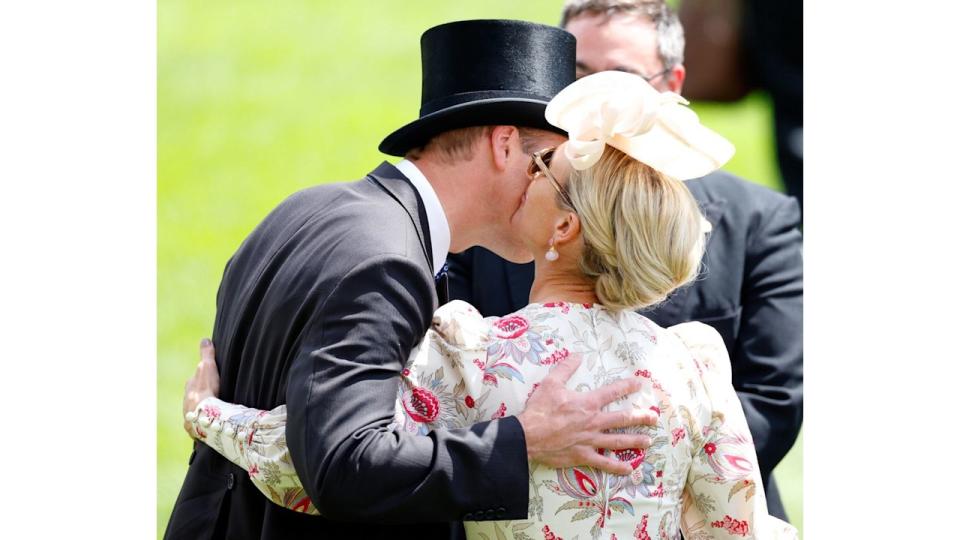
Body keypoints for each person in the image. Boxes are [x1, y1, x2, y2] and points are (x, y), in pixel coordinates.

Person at [180, 70, 798, 539]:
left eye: (542, 170)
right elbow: (735, 524)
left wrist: (210, 413)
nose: (527, 177)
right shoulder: (694, 363)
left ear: (563, 229)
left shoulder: (476, 354)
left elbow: (312, 467)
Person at [164, 20, 659, 540]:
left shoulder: (304, 209)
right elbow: (345, 465)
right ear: (505, 145)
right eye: (548, 167)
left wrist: (212, 419)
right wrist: (524, 440)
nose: (557, 197)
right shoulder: (389, 262)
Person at [446, 0, 803, 522]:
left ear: (673, 84)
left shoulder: (761, 219)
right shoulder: (504, 209)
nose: (596, 100)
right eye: (577, 77)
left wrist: (637, 481)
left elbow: (775, 400)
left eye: (621, 79)